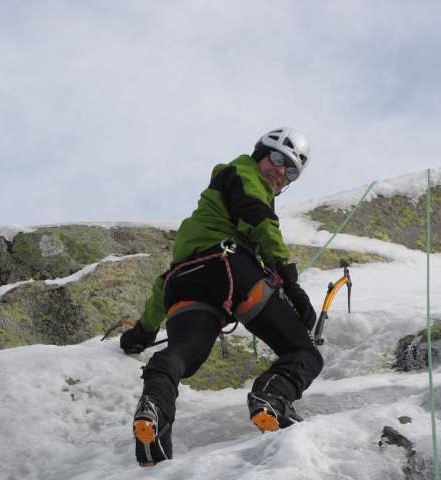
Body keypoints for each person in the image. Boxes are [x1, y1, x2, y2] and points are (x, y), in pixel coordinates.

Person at [120, 127, 324, 467]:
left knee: (182, 356)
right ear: (259, 154)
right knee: (303, 352)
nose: (279, 172)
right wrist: (290, 283)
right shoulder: (242, 174)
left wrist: (140, 334)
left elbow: (163, 286)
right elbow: (257, 219)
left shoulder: (201, 225)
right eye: (276, 159)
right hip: (230, 269)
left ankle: (154, 408)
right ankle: (271, 397)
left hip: (184, 282)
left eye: (290, 172)